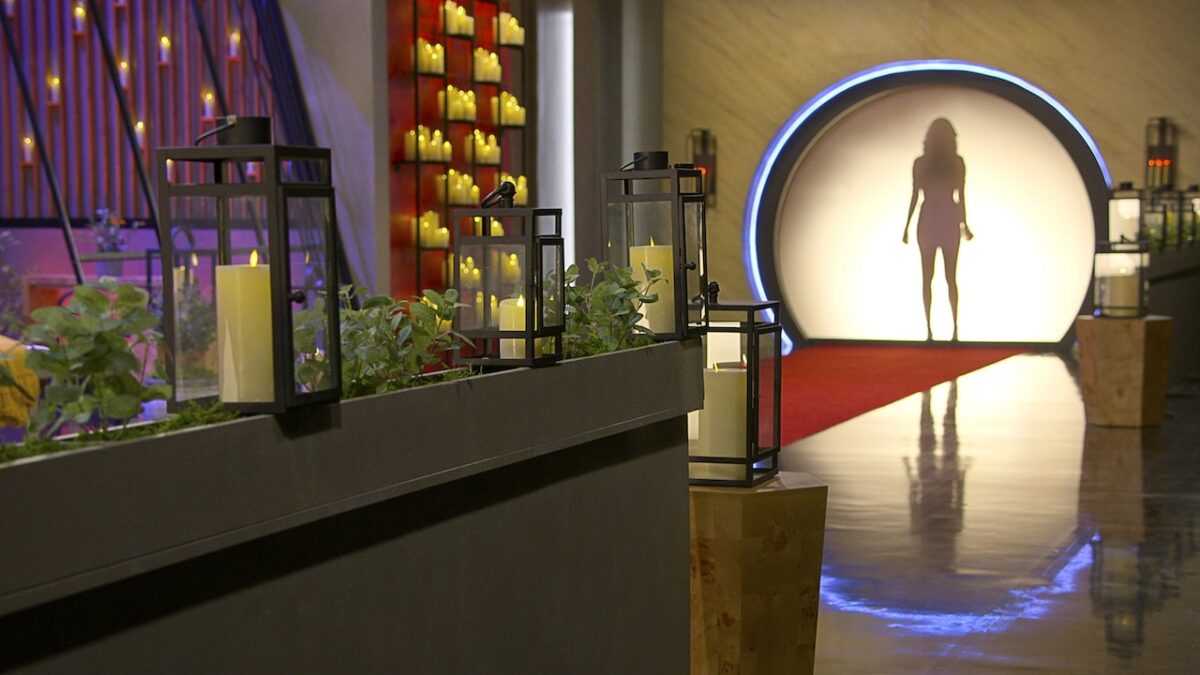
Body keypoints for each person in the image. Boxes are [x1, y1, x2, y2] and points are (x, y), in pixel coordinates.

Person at [902, 118, 974, 341]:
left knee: (931, 277)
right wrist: (964, 224)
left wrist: (907, 227)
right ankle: (948, 330)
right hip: (945, 217)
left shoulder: (923, 163)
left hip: (932, 217)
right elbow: (960, 196)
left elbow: (916, 195)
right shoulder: (955, 162)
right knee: (947, 278)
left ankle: (935, 331)